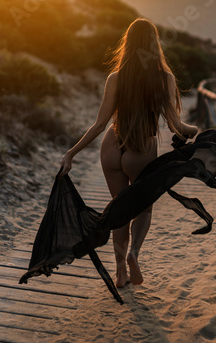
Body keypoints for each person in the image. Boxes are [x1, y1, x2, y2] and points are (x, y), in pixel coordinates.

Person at [59, 18, 198, 288]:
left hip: (111, 146)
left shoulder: (116, 78)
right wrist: (194, 130)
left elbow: (99, 124)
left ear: (128, 44)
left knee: (119, 209)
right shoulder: (164, 79)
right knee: (143, 210)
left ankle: (120, 271)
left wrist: (71, 153)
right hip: (141, 148)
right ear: (154, 44)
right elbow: (176, 126)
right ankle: (134, 254)